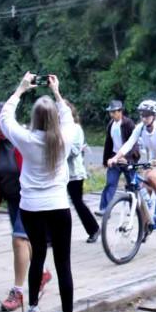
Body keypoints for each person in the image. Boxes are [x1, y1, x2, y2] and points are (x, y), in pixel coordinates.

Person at [0, 72, 81, 312]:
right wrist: (57, 93)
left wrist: (21, 89)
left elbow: (4, 119)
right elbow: (67, 116)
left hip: (31, 207)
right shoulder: (65, 137)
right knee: (63, 264)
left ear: (34, 119)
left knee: (38, 258)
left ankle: (33, 309)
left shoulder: (25, 138)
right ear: (55, 118)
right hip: (58, 206)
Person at [0, 103, 51, 312]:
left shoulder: (26, 138)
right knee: (25, 239)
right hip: (12, 198)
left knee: (19, 238)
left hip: (30, 197)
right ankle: (42, 274)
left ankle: (18, 291)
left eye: (1, 126)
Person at [108, 100, 156, 218]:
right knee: (142, 194)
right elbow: (129, 143)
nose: (144, 118)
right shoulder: (140, 128)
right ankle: (145, 228)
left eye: (147, 115)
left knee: (151, 177)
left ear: (155, 116)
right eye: (142, 115)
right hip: (153, 160)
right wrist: (115, 157)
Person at [64, 101, 100, 244]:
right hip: (59, 174)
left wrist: (59, 148)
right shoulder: (56, 128)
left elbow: (74, 150)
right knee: (55, 204)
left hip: (74, 173)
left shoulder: (76, 129)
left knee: (77, 202)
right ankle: (50, 237)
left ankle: (93, 229)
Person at [99, 100, 137, 214]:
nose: (112, 114)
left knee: (132, 185)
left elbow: (134, 143)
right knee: (110, 183)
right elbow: (108, 143)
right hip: (114, 158)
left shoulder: (128, 123)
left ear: (120, 111)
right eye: (110, 112)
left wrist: (129, 159)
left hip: (127, 159)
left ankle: (135, 209)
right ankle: (105, 209)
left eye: (114, 112)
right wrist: (106, 161)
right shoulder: (111, 124)